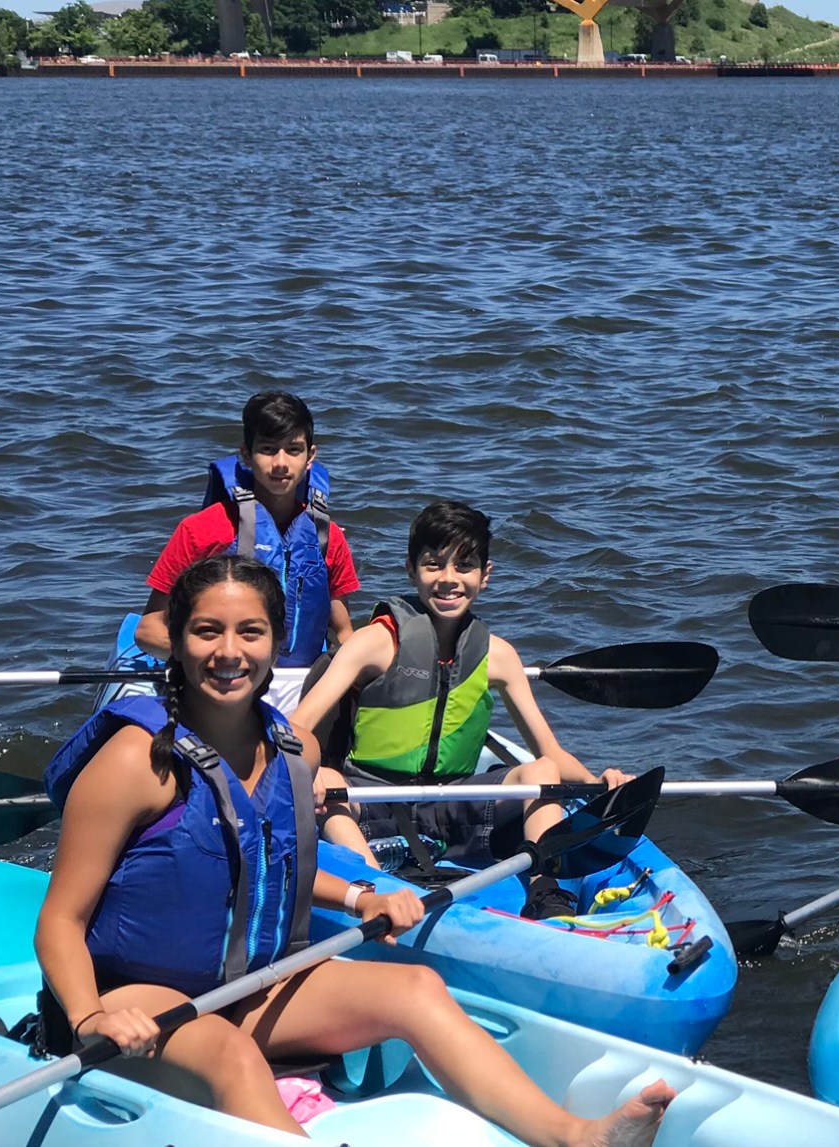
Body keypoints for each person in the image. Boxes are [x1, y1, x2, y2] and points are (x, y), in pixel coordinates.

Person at [35, 554, 672, 1144]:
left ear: (278, 642)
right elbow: (61, 920)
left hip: (241, 986)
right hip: (133, 1001)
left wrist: (362, 893)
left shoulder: (295, 753)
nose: (229, 652)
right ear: (176, 639)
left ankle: (576, 1136)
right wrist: (90, 1018)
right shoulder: (133, 762)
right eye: (207, 632)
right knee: (233, 1058)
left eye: (250, 632)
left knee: (416, 989)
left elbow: (266, 865)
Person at [291, 500, 625, 918]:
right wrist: (307, 773)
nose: (449, 579)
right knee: (326, 777)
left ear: (485, 576)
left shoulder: (498, 657)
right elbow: (297, 727)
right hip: (371, 801)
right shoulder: (375, 642)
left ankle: (546, 890)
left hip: (454, 805)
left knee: (542, 773)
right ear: (412, 570)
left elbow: (551, 753)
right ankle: (378, 891)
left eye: (464, 566)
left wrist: (600, 783)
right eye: (434, 565)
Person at [135, 391, 359, 698]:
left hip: (300, 685)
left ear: (310, 457)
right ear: (246, 454)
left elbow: (344, 633)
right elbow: (148, 630)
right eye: (268, 450)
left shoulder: (328, 537)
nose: (281, 463)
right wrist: (215, 660)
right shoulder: (200, 530)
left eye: (293, 450)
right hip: (221, 681)